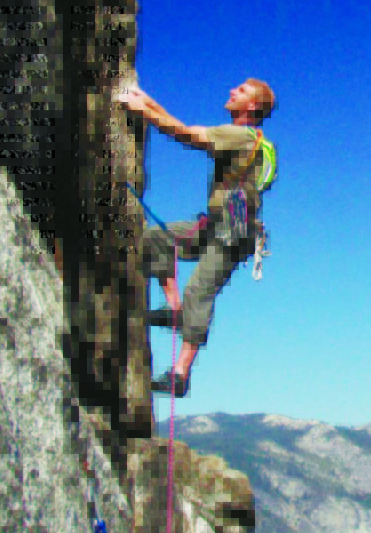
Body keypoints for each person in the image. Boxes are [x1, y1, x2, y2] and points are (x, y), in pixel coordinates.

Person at [115, 77, 277, 397]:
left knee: (199, 290)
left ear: (253, 106)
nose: (232, 91)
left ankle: (180, 375)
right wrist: (145, 100)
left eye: (241, 91)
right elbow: (185, 126)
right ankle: (174, 309)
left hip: (233, 233)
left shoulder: (240, 137)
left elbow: (186, 134)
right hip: (216, 225)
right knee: (156, 237)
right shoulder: (244, 137)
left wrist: (143, 110)